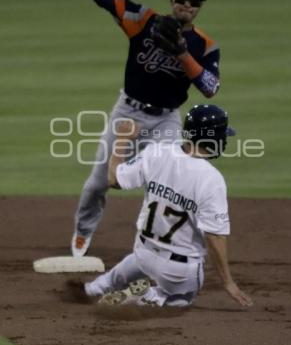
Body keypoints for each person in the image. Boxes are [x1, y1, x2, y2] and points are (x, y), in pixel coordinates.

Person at [71, 0, 221, 256]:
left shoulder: (204, 45)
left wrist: (181, 54)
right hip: (127, 112)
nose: (187, 6)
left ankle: (155, 244)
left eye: (194, 2)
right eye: (182, 0)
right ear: (172, 1)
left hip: (166, 121)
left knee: (167, 184)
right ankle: (82, 231)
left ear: (199, 7)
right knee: (97, 184)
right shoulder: (143, 20)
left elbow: (210, 88)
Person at [68, 105, 253, 308]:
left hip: (143, 253)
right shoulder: (212, 179)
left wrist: (122, 139)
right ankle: (149, 296)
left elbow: (113, 179)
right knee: (183, 298)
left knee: (130, 266)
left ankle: (93, 289)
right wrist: (228, 282)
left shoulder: (157, 152)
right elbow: (215, 237)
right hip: (178, 271)